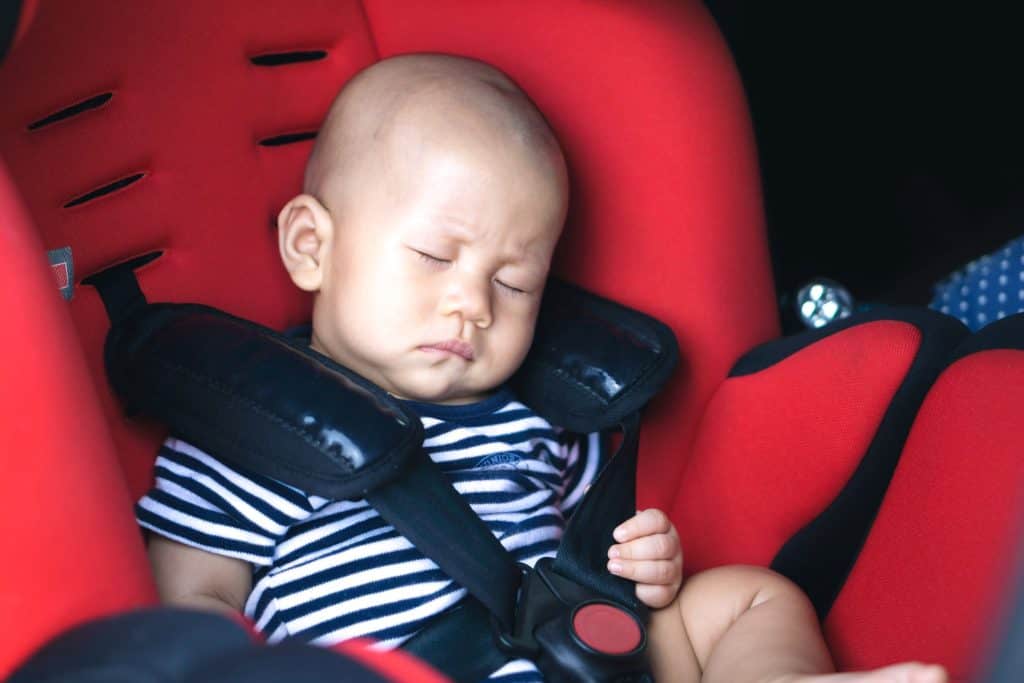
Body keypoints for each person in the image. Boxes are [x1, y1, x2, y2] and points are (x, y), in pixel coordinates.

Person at [137, 54, 947, 683]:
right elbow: (194, 604)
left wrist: (649, 559)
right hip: (401, 661)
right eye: (433, 256)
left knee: (747, 598)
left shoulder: (536, 416)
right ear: (313, 246)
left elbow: (592, 554)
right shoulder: (250, 433)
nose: (472, 306)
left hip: (573, 654)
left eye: (512, 282)